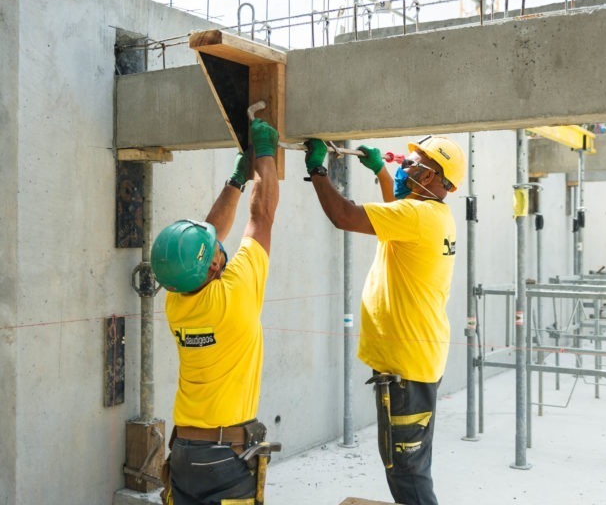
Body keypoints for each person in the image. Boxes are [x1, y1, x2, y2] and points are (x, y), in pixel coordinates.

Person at [302, 136, 466, 505]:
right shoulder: (428, 215)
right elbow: (396, 211)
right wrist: (379, 170)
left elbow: (343, 216)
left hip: (407, 369)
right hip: (414, 361)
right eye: (406, 161)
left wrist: (317, 171)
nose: (405, 168)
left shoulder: (418, 216)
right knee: (407, 464)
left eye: (415, 164)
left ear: (441, 181)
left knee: (407, 471)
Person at [150, 118, 279, 505]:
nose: (219, 245)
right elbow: (262, 217)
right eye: (214, 252)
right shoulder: (234, 296)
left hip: (187, 452)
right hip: (225, 457)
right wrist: (266, 155)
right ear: (212, 268)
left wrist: (237, 179)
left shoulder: (177, 298)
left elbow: (208, 236)